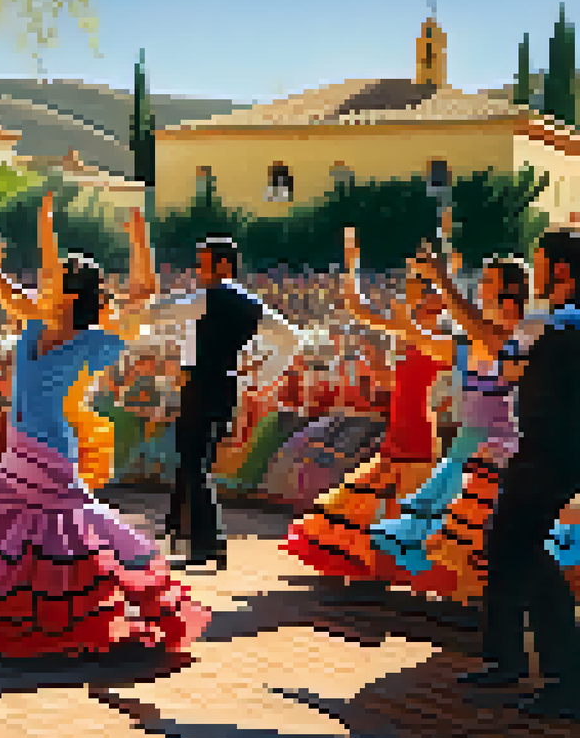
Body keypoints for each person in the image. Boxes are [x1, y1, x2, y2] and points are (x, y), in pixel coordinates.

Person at [0, 202, 209, 658]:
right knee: (14, 534)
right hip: (18, 445)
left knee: (60, 533)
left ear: (70, 294)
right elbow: (1, 286)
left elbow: (145, 292)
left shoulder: (99, 341)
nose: (43, 282)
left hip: (50, 449)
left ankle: (109, 613)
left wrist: (138, 239)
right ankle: (21, 618)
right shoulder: (34, 320)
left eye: (54, 279)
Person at [282, 227, 455, 585]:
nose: (415, 295)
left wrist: (442, 268)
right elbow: (357, 308)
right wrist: (351, 261)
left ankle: (406, 570)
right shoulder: (408, 332)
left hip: (420, 433)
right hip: (398, 429)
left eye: (422, 291)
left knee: (408, 504)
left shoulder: (444, 340)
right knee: (374, 497)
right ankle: (374, 566)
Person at [455, 228, 580, 719]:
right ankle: (509, 659)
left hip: (546, 451)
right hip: (560, 450)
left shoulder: (544, 322)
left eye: (541, 262)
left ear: (561, 270)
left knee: (517, 545)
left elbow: (507, 372)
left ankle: (563, 677)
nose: (536, 271)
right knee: (507, 543)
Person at [370, 256, 535, 600]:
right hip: (467, 447)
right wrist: (402, 325)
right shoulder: (471, 344)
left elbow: (480, 334)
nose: (480, 286)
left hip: (501, 447)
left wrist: (442, 280)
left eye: (488, 280)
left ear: (510, 293)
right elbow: (430, 341)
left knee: (483, 529)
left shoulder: (520, 335)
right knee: (458, 532)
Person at [146, 235, 302, 569]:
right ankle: (189, 536)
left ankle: (206, 543)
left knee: (194, 463)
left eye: (203, 264)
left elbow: (161, 313)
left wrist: (128, 309)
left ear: (223, 265)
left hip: (202, 386)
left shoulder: (211, 297)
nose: (197, 271)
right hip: (224, 386)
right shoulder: (249, 303)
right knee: (194, 461)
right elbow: (292, 338)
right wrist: (260, 379)